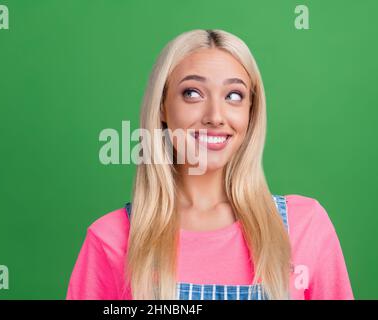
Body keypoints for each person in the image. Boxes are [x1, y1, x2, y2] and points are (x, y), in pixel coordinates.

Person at [66, 29, 354, 300]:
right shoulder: (111, 239)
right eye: (192, 93)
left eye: (234, 96)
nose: (215, 116)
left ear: (251, 113)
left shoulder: (306, 226)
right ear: (162, 107)